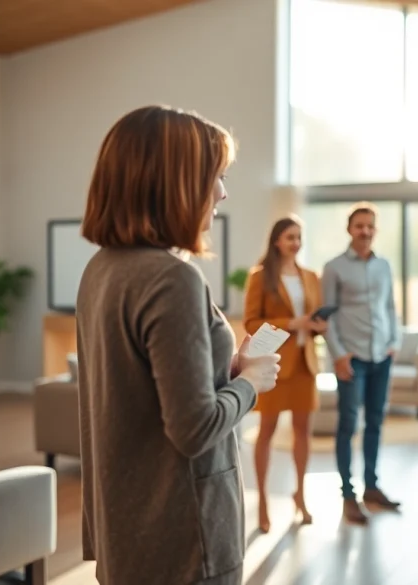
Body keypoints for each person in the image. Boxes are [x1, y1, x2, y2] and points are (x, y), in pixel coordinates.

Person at [75, 105, 281, 585]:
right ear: (175, 180)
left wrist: (222, 370)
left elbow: (141, 393)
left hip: (126, 531)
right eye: (216, 176)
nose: (222, 192)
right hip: (183, 538)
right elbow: (194, 428)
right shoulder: (172, 278)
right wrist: (250, 383)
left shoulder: (101, 269)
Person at [243, 215, 326, 533]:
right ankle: (262, 501)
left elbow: (313, 317)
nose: (296, 242)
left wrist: (318, 326)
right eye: (290, 237)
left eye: (299, 237)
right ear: (276, 240)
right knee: (266, 432)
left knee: (303, 433)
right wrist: (294, 323)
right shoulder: (260, 277)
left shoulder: (310, 276)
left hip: (305, 364)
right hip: (275, 364)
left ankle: (300, 495)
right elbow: (251, 323)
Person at [321, 202, 402, 524]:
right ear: (349, 229)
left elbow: (391, 306)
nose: (365, 231)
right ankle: (347, 495)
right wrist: (338, 354)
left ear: (375, 229)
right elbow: (325, 318)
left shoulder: (383, 266)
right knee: (348, 426)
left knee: (376, 423)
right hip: (351, 359)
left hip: (381, 356)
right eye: (359, 226)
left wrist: (394, 342)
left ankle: (371, 487)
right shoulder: (333, 267)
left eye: (370, 226)